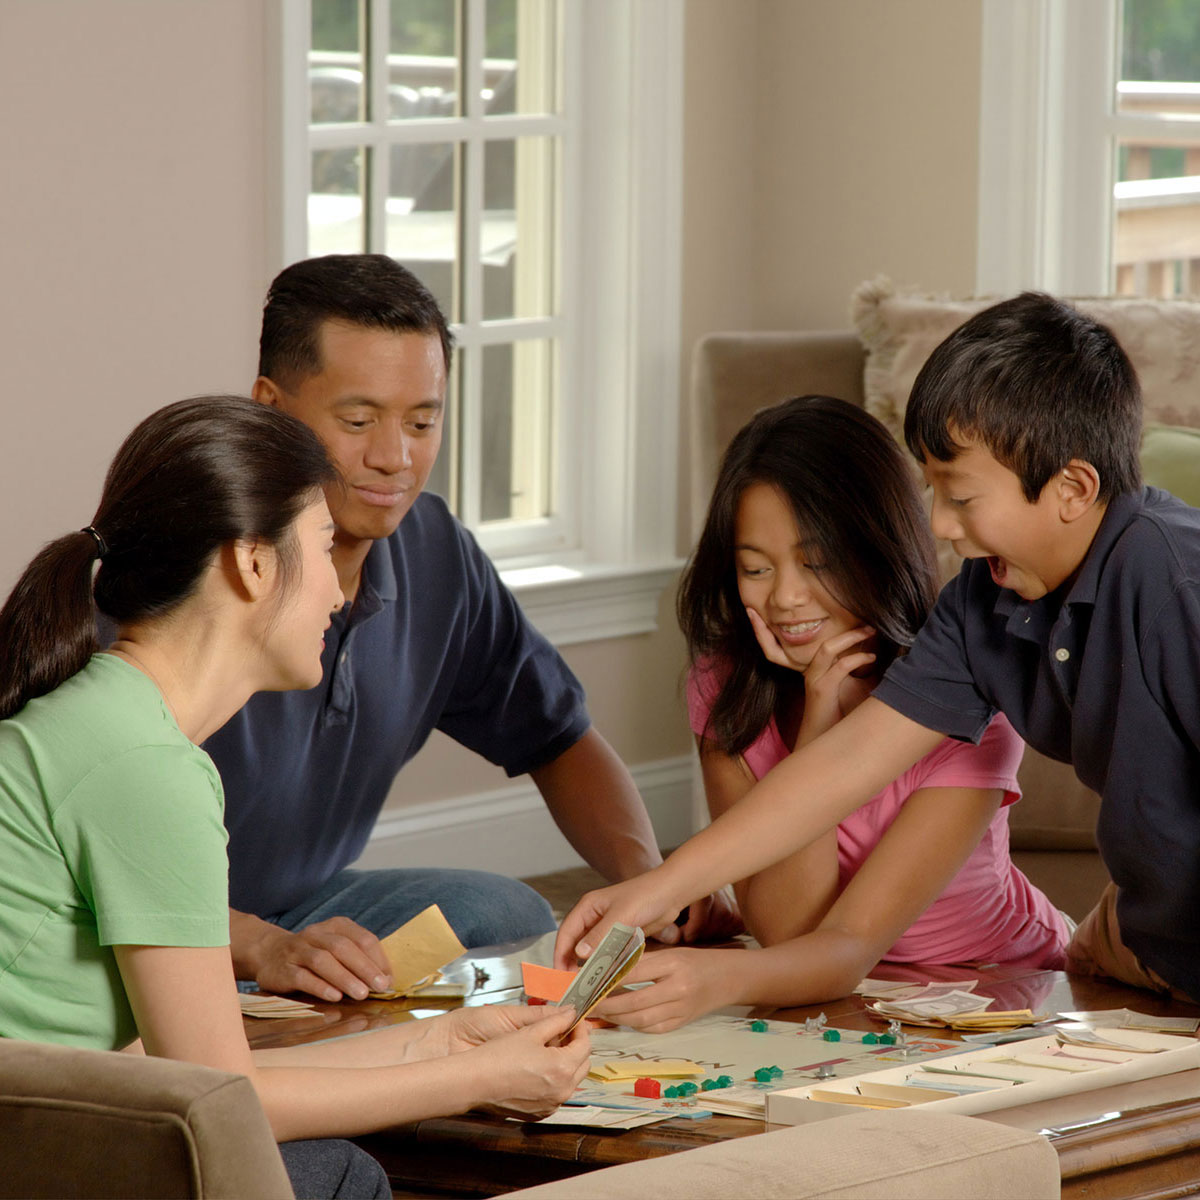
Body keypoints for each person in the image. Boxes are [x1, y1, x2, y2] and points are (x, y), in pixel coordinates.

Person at [0, 397, 590, 1200]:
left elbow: (178, 1067)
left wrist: (449, 1044)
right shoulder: (145, 766)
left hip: (57, 1125)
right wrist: (480, 1081)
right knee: (339, 1174)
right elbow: (218, 1100)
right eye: (323, 547)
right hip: (41, 1158)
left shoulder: (107, 720)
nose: (341, 594)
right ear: (252, 563)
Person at [556, 292, 1200, 1007]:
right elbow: (845, 765)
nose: (938, 525)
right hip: (1148, 935)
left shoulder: (1174, 578)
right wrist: (655, 890)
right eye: (931, 491)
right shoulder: (980, 607)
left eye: (959, 497)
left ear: (1072, 488)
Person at [205, 253, 737, 1005]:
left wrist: (645, 884)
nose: (395, 458)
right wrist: (259, 946)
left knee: (504, 910)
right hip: (153, 930)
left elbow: (559, 737)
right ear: (270, 407)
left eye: (423, 421)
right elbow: (83, 862)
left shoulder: (432, 550)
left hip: (303, 906)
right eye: (358, 422)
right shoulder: (191, 571)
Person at [591, 396, 1067, 1032]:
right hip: (829, 994)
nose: (785, 598)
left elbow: (844, 944)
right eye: (755, 568)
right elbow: (786, 929)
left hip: (995, 985)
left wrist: (718, 976)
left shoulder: (970, 699)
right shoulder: (726, 685)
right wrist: (819, 718)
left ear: (879, 547)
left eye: (816, 563)